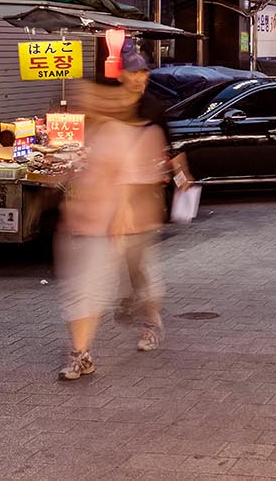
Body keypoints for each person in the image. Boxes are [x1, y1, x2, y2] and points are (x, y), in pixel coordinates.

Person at [54, 83, 136, 381]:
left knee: (87, 292)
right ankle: (82, 353)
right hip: (74, 224)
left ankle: (80, 353)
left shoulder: (114, 133)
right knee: (75, 292)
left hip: (101, 227)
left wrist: (121, 214)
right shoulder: (85, 133)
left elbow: (125, 176)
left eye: (88, 98)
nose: (83, 104)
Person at [114, 49, 177, 351]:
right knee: (125, 260)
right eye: (134, 72)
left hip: (143, 196)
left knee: (139, 262)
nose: (140, 78)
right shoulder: (113, 106)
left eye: (144, 72)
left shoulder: (153, 107)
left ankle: (152, 322)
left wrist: (179, 177)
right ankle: (131, 297)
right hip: (117, 195)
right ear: (121, 75)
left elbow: (170, 148)